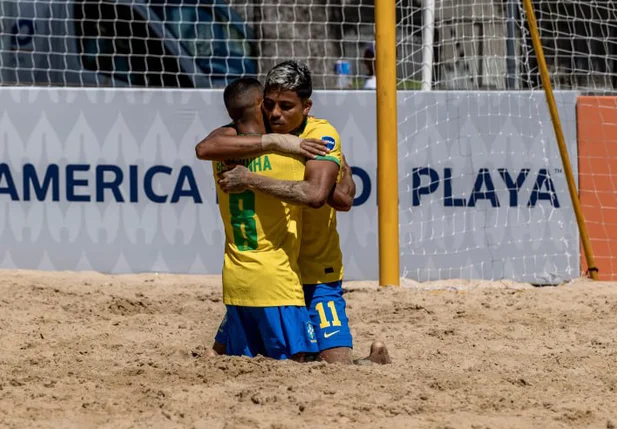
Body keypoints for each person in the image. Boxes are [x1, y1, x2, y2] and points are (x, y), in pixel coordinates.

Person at [198, 61, 390, 365]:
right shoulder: (260, 131)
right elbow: (206, 146)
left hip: (315, 267)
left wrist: (250, 179)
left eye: (286, 106)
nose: (276, 113)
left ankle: (375, 360)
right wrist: (275, 140)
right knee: (217, 357)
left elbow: (329, 197)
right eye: (271, 104)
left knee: (335, 364)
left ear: (306, 106)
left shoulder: (319, 135)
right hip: (277, 272)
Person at [204, 77, 318, 361]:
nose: (275, 110)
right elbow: (319, 195)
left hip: (236, 284)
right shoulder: (287, 157)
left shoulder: (222, 153)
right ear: (260, 105)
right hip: (276, 284)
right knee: (298, 364)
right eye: (269, 103)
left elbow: (204, 146)